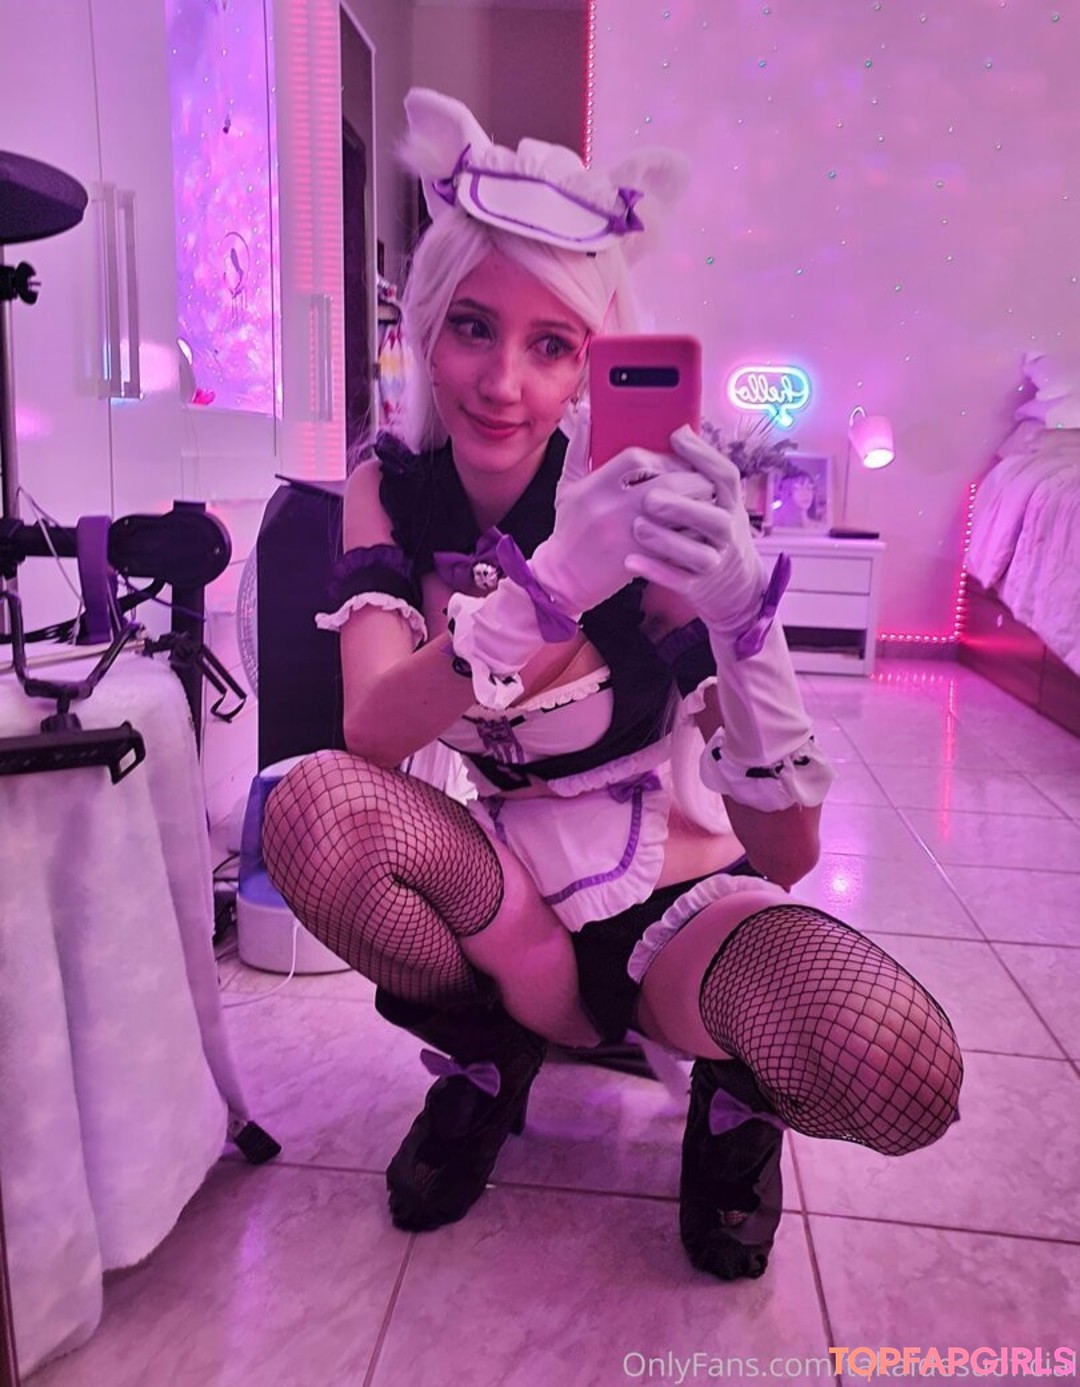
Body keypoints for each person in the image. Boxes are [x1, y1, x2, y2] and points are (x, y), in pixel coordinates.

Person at [262, 88, 962, 1282]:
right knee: (310, 809)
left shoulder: (638, 499)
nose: (503, 382)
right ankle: (493, 1055)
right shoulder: (391, 488)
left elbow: (787, 855)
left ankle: (734, 1101)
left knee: (893, 1058)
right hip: (502, 891)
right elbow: (370, 733)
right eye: (473, 327)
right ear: (426, 326)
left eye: (552, 345)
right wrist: (545, 589)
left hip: (678, 901)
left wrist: (744, 621)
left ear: (594, 362)